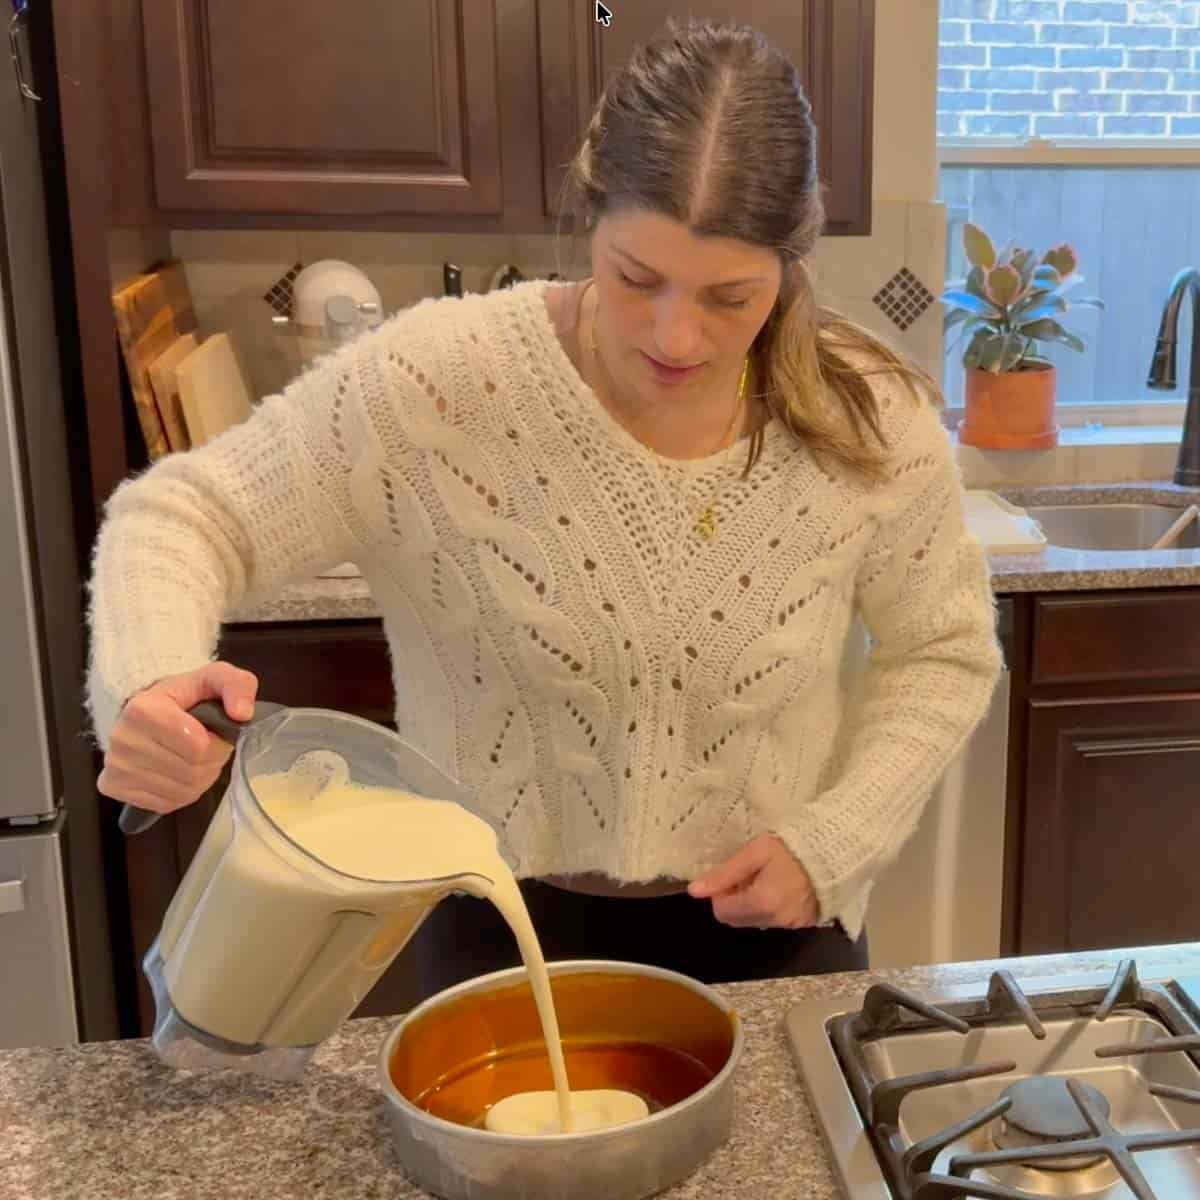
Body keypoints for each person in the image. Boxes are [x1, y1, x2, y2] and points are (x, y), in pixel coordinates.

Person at [90, 20, 1002, 998]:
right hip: (495, 937)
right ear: (588, 211)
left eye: (731, 298)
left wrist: (836, 839)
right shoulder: (443, 381)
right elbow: (189, 514)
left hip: (782, 945)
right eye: (635, 278)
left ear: (791, 261)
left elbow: (940, 649)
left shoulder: (864, 412)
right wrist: (147, 677)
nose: (676, 335)